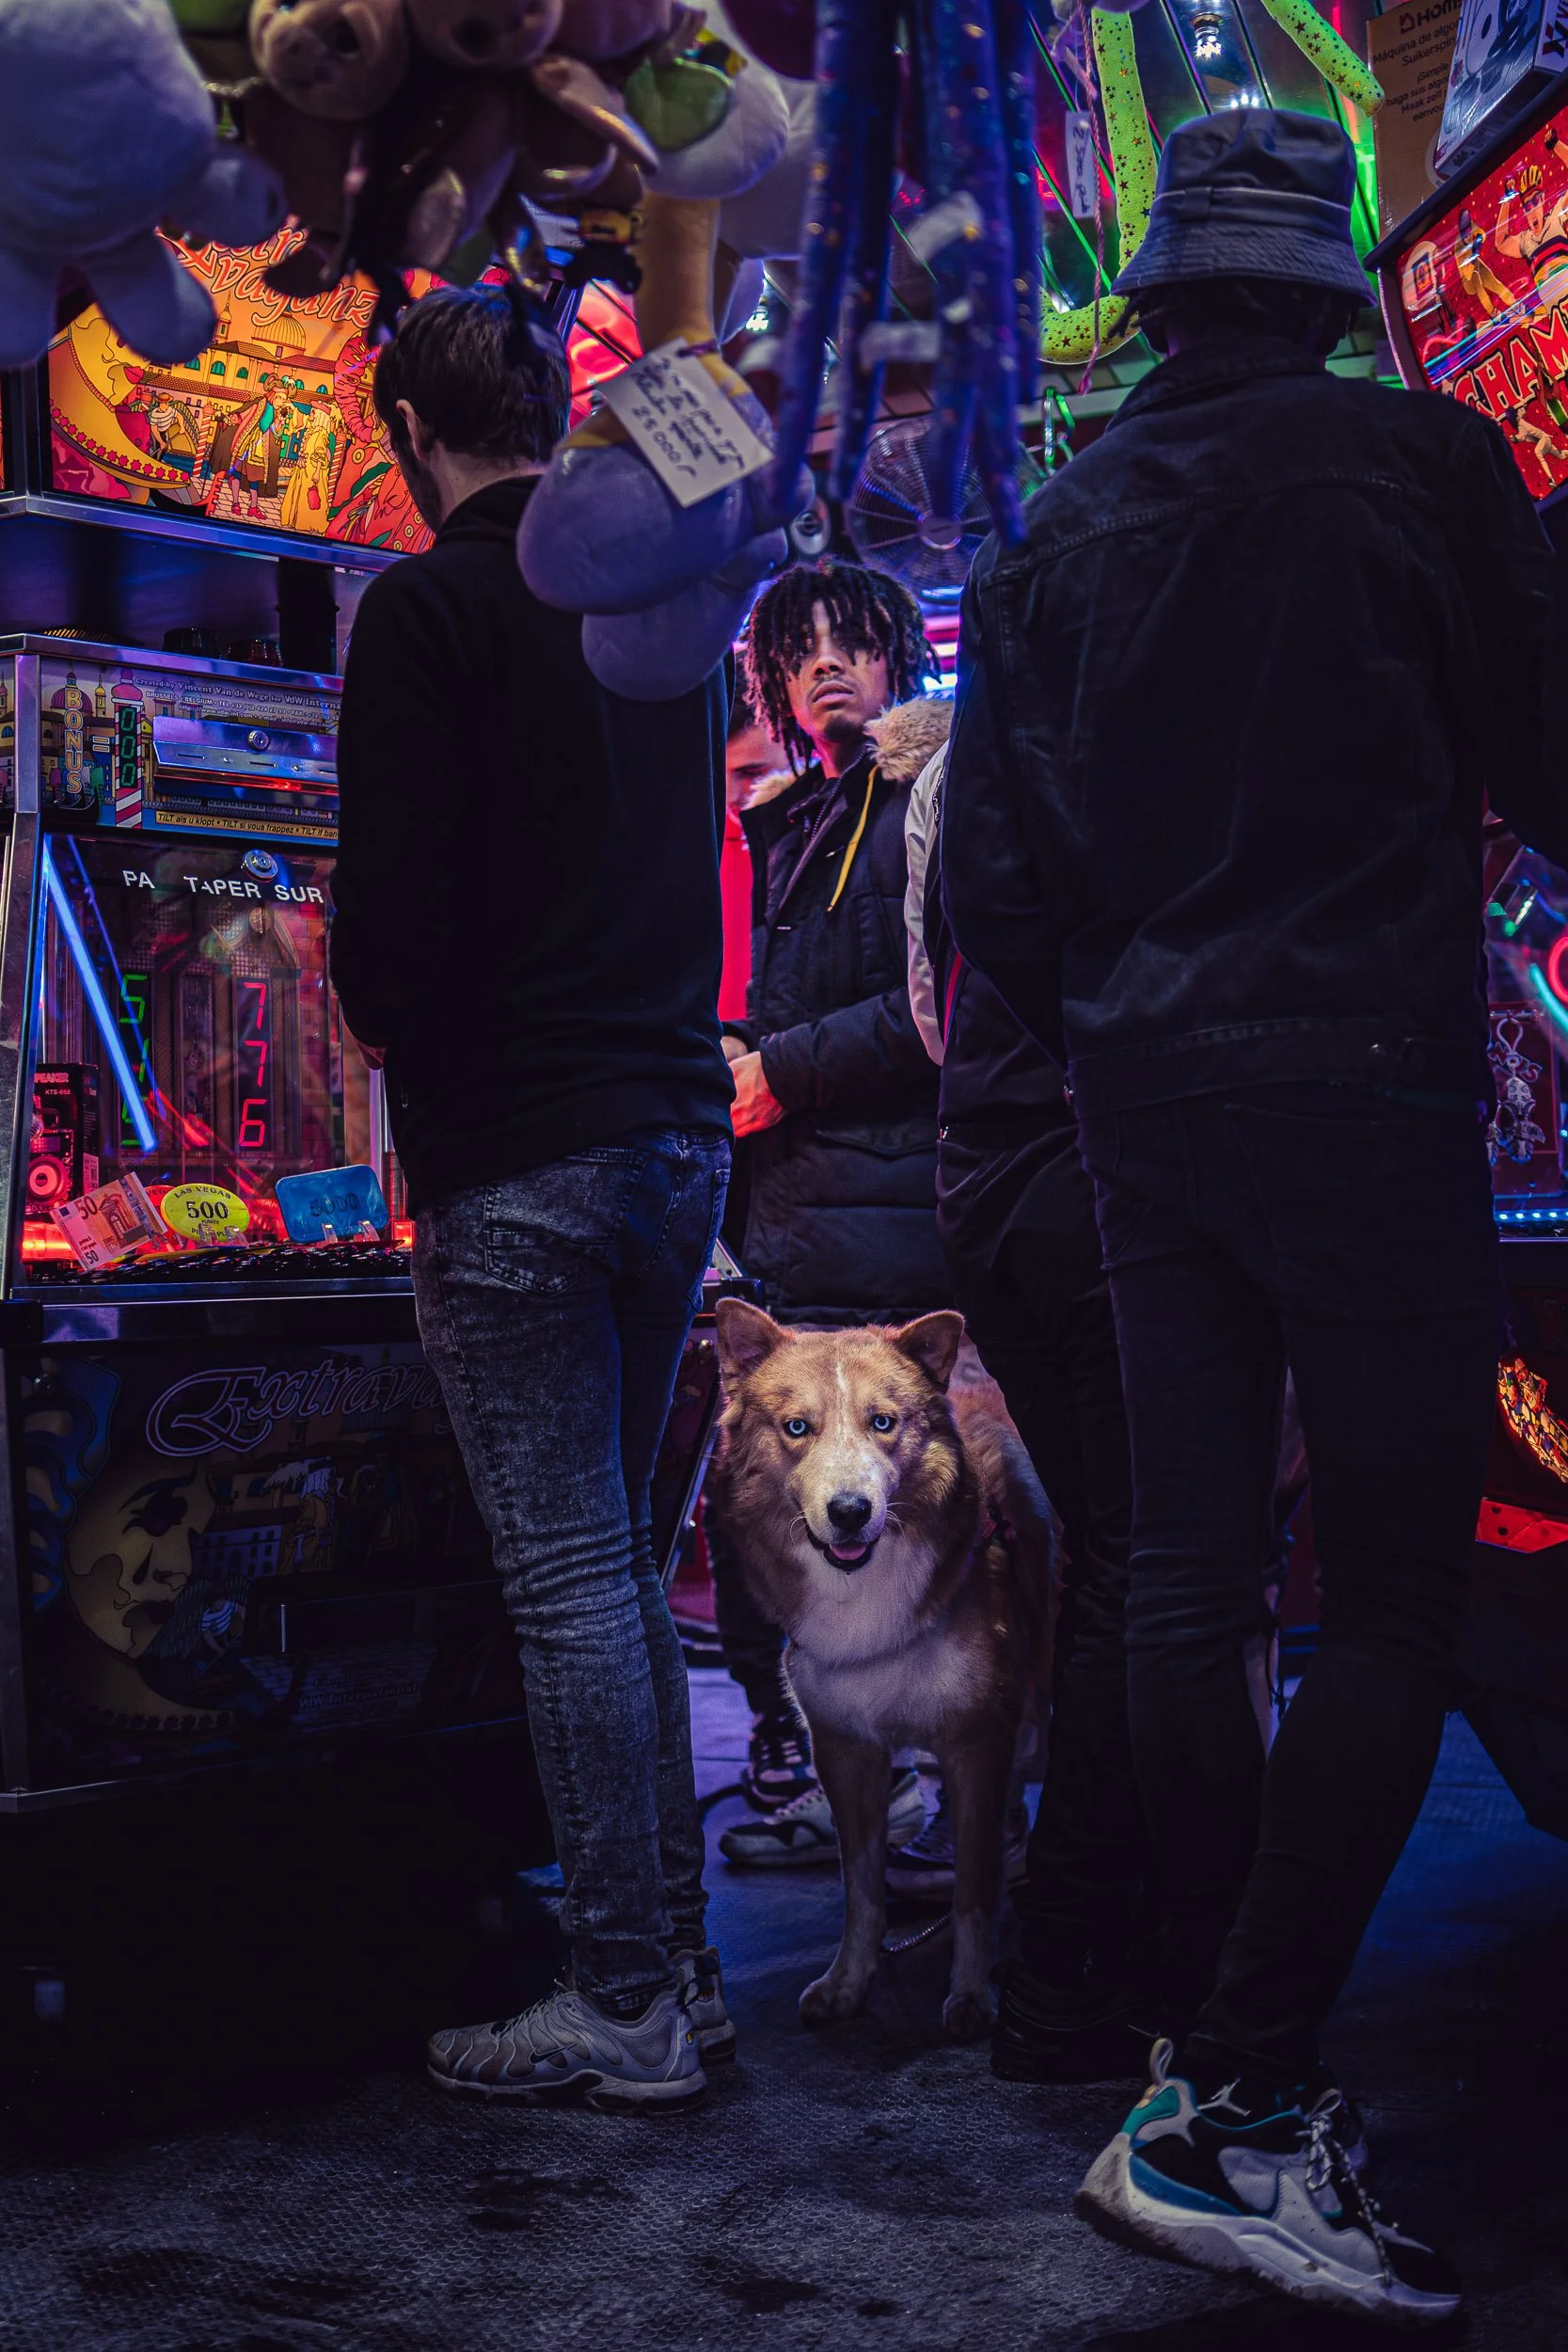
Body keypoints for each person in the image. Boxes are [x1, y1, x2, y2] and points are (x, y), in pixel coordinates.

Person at [942, 107, 1568, 2323]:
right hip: (1367, 1077)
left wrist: (1131, 1003)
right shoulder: (1421, 469)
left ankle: (1215, 2084)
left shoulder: (1043, 540)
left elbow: (981, 908)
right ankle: (1238, 2084)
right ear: (1328, 290)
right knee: (1392, 1596)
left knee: (1190, 1585)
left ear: (1159, 293)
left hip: (1139, 1109)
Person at [329, 283, 736, 2111]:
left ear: (412, 437)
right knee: (626, 1581)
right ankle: (686, 1977)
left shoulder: (425, 608)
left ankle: (628, 1997)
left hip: (521, 1149)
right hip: (670, 1128)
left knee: (574, 1578)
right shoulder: (656, 611)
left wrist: (372, 994)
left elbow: (390, 929)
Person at [706, 559, 947, 1864]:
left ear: (898, 652)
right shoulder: (789, 813)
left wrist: (775, 1069)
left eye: (850, 643)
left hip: (889, 1215)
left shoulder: (926, 793)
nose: (825, 669)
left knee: (881, 1518)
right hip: (800, 1210)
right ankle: (825, 1777)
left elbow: (938, 1010)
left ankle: (904, 1797)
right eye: (798, 653)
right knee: (774, 1514)